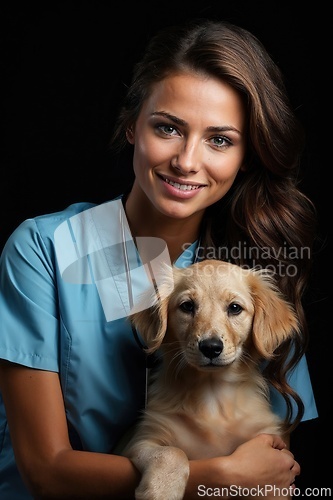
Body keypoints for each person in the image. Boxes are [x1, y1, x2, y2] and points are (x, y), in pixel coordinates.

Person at [0, 17, 318, 499]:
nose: (187, 161)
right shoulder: (43, 249)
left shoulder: (249, 273)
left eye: (220, 139)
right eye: (168, 128)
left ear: (246, 156)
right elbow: (44, 471)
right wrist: (218, 478)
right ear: (132, 126)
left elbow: (269, 467)